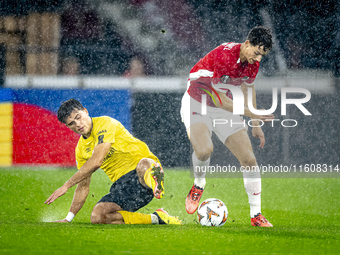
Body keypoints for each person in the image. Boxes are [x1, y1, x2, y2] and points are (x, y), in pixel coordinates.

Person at [181, 26, 275, 227]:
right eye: (257, 53)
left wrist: (256, 124)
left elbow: (248, 89)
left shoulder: (252, 63)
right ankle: (199, 184)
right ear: (247, 44)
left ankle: (256, 215)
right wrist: (253, 113)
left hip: (223, 106)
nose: (258, 59)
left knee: (249, 159)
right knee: (205, 150)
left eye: (262, 56)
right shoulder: (225, 55)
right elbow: (219, 99)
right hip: (197, 103)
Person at [45, 99, 181, 225]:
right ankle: (157, 218)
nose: (78, 124)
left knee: (145, 164)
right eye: (71, 123)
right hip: (125, 187)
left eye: (78, 117)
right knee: (98, 216)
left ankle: (155, 181)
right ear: (68, 127)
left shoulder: (105, 123)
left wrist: (66, 185)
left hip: (142, 172)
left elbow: (97, 161)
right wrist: (68, 219)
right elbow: (83, 186)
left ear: (86, 111)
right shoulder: (81, 150)